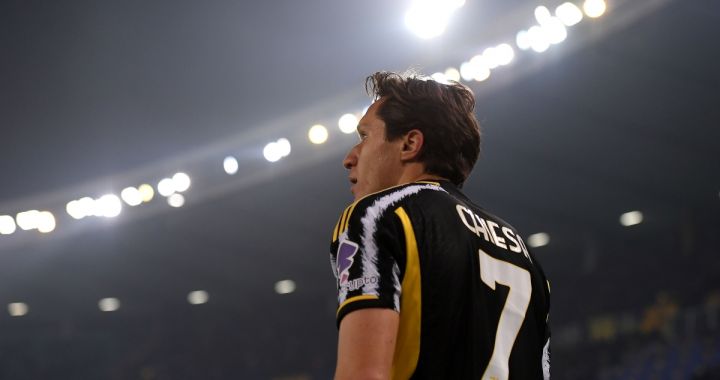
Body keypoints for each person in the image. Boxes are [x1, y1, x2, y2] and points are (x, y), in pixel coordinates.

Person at [329, 71, 551, 380]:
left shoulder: (377, 215)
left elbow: (364, 375)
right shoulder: (525, 255)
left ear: (410, 144)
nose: (349, 158)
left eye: (365, 136)